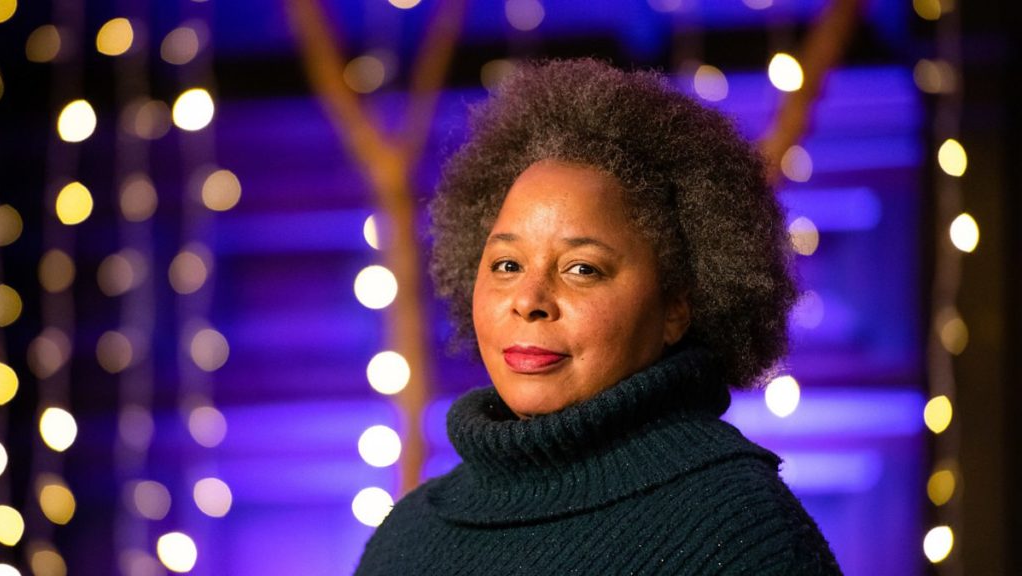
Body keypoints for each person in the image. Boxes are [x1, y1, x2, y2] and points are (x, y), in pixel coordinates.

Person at [355, 58, 842, 575]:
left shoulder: (743, 536)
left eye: (582, 268)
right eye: (506, 264)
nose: (529, 299)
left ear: (677, 303)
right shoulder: (407, 536)